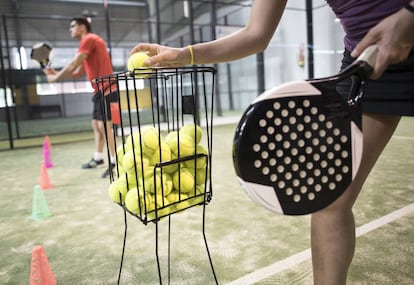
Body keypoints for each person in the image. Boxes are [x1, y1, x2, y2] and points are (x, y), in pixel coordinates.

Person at [131, 1, 414, 284]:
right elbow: (256, 33)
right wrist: (186, 55)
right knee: (330, 196)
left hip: (405, 27)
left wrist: (409, 15)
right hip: (369, 57)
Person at [44, 17, 117, 179]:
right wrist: (54, 74)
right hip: (100, 91)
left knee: (105, 126)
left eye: (73, 26)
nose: (70, 29)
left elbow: (72, 65)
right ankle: (98, 158)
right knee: (96, 125)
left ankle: (115, 163)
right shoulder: (88, 45)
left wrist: (55, 78)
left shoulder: (89, 39)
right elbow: (76, 72)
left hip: (108, 89)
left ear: (82, 27)